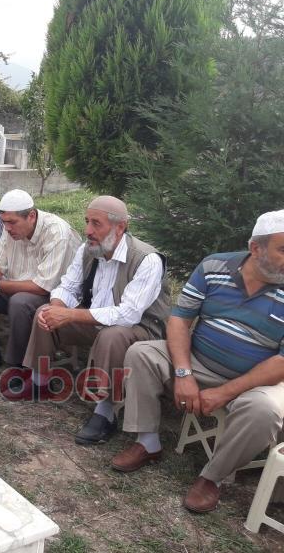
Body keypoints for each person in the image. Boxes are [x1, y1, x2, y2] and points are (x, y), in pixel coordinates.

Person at [111, 210, 284, 513]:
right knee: (141, 353)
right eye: (283, 249)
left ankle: (212, 477)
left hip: (256, 380)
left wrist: (226, 391)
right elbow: (179, 321)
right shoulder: (214, 266)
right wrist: (184, 373)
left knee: (265, 410)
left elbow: (281, 364)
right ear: (255, 248)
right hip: (199, 359)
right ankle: (147, 441)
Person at [23, 195, 170, 445]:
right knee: (44, 311)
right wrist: (56, 308)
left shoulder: (147, 259)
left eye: (96, 224)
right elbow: (67, 286)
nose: (87, 230)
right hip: (96, 320)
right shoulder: (89, 249)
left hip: (141, 330)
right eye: (87, 222)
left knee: (112, 334)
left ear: (120, 227)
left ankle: (106, 411)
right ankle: (40, 381)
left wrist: (69, 314)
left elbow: (128, 314)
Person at [0, 189, 81, 366]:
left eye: (12, 222)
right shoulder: (10, 228)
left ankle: (18, 366)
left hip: (52, 295)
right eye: (4, 222)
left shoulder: (57, 233)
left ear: (31, 216)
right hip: (15, 286)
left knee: (20, 302)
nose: (7, 228)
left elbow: (43, 286)